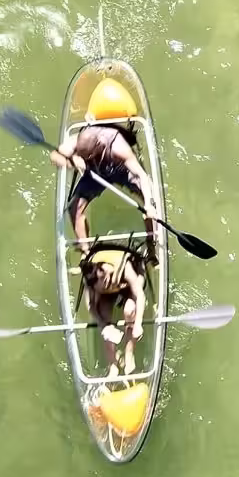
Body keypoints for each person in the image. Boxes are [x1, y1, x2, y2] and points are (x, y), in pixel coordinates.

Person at [49, 123, 160, 266]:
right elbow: (54, 156)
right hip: (95, 174)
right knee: (74, 208)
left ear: (100, 146)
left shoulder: (119, 148)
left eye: (89, 155)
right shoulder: (78, 141)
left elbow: (141, 175)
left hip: (122, 171)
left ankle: (152, 248)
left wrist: (149, 204)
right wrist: (70, 161)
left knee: (150, 200)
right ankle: (86, 252)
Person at [79, 241, 147, 377]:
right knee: (103, 316)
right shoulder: (91, 283)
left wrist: (138, 323)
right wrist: (103, 326)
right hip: (108, 296)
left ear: (103, 272)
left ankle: (129, 356)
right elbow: (92, 307)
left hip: (127, 285)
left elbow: (140, 295)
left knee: (129, 310)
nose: (107, 285)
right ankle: (113, 365)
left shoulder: (123, 267)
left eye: (107, 282)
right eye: (102, 288)